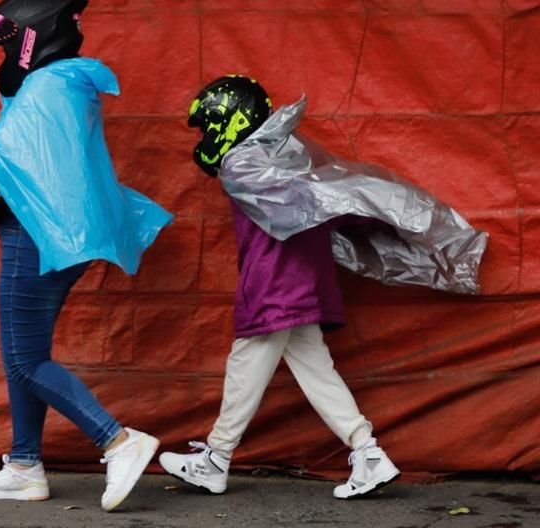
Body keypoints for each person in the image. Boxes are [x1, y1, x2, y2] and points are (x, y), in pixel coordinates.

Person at [159, 75, 486, 499]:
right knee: (317, 371)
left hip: (274, 283)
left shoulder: (246, 163)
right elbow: (327, 198)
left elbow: (314, 203)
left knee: (247, 363)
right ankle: (368, 453)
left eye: (208, 126)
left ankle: (217, 458)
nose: (205, 137)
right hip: (300, 282)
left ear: (230, 119)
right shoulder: (280, 155)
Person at [0, 0, 172, 511]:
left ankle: (118, 441)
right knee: (25, 353)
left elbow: (1, 156)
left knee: (23, 358)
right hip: (60, 231)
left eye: (8, 40)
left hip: (36, 233)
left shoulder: (46, 88)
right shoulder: (63, 82)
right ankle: (23, 465)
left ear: (34, 33)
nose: (4, 51)